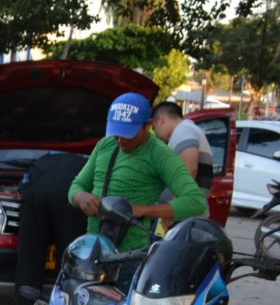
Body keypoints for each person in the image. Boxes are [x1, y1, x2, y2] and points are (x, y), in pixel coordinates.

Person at [68, 92, 206, 251]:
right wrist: (80, 196)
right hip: (93, 249)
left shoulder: (160, 154)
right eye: (116, 134)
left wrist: (141, 210)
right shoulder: (104, 145)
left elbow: (196, 202)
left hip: (130, 256)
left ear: (148, 125)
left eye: (128, 135)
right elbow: (76, 186)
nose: (121, 141)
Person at [11, 151, 90, 305]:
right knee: (69, 262)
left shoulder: (44, 158)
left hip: (38, 185)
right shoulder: (90, 158)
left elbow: (24, 188)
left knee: (29, 259)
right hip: (70, 187)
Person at [151, 101, 215, 197]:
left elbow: (190, 168)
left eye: (154, 127)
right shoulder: (186, 130)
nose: (155, 134)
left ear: (160, 119)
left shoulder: (183, 130)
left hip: (186, 209)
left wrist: (175, 203)